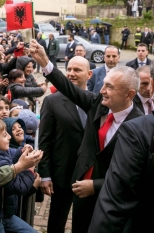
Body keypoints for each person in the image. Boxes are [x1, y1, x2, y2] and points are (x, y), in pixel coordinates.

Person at [29, 40, 143, 233]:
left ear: (129, 94)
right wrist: (45, 62)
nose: (101, 90)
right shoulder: (98, 103)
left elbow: (132, 174)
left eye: (109, 87)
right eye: (103, 84)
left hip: (107, 194)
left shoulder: (139, 126)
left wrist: (96, 186)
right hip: (79, 185)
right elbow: (68, 87)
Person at [88, 55, 154, 233]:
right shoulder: (100, 107)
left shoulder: (137, 129)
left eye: (109, 86)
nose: (102, 91)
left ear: (152, 84)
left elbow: (117, 198)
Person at [38, 55, 92, 233]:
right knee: (57, 221)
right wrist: (45, 175)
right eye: (68, 69)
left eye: (77, 70)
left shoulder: (97, 100)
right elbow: (45, 140)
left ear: (89, 74)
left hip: (89, 174)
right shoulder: (52, 101)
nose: (71, 73)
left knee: (84, 221)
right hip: (63, 174)